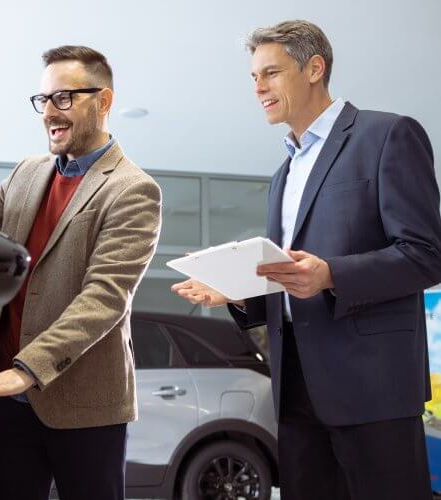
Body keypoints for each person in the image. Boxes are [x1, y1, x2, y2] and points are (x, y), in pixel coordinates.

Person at [172, 20, 441, 500]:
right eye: (254, 77)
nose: (258, 88)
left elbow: (425, 255)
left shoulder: (387, 135)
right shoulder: (283, 171)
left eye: (270, 73)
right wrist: (238, 292)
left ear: (314, 68)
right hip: (296, 387)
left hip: (373, 386)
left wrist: (332, 274)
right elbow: (289, 278)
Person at [0, 45, 161, 500]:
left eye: (64, 98)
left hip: (84, 408)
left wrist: (26, 370)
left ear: (104, 101)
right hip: (12, 402)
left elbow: (105, 298)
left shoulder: (132, 190)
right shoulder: (28, 172)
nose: (49, 112)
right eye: (43, 100)